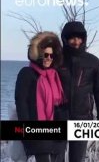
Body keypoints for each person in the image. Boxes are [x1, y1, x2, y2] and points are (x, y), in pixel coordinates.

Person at [58, 21, 99, 162]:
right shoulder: (57, 60)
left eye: (79, 37)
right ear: (65, 38)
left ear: (84, 39)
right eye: (72, 38)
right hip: (58, 117)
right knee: (56, 158)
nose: (76, 41)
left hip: (82, 119)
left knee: (77, 159)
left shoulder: (93, 62)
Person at [15, 31, 66, 162]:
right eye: (45, 54)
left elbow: (60, 104)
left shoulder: (55, 75)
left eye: (52, 55)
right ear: (38, 54)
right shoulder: (27, 73)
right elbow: (21, 104)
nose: (49, 58)